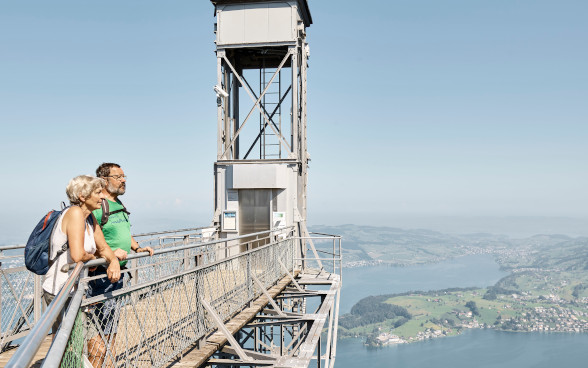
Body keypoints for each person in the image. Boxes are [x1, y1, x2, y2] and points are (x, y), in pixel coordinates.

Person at [86, 163, 153, 367]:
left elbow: (122, 232)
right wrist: (109, 256)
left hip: (117, 274)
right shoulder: (98, 206)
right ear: (104, 181)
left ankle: (109, 365)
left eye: (124, 176)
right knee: (98, 331)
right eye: (118, 177)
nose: (123, 180)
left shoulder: (118, 205)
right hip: (101, 275)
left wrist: (136, 247)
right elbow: (85, 242)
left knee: (111, 327)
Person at [42, 175, 121, 335]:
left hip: (77, 291)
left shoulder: (89, 218)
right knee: (68, 346)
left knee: (80, 344)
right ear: (82, 196)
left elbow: (103, 247)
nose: (102, 196)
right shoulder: (75, 213)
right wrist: (95, 261)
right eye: (98, 192)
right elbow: (79, 255)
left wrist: (113, 261)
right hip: (60, 291)